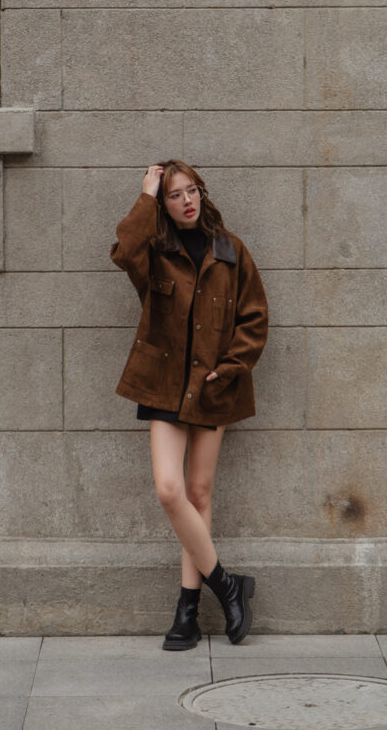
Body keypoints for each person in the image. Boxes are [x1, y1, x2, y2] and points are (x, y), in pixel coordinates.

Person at [110, 160, 268, 649]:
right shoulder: (154, 253)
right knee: (168, 490)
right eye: (175, 195)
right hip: (163, 385)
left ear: (203, 192)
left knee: (199, 495)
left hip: (214, 386)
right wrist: (146, 193)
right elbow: (123, 250)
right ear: (164, 204)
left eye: (192, 190)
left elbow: (255, 318)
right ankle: (227, 584)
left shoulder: (231, 251)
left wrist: (232, 366)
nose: (187, 201)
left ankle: (188, 613)